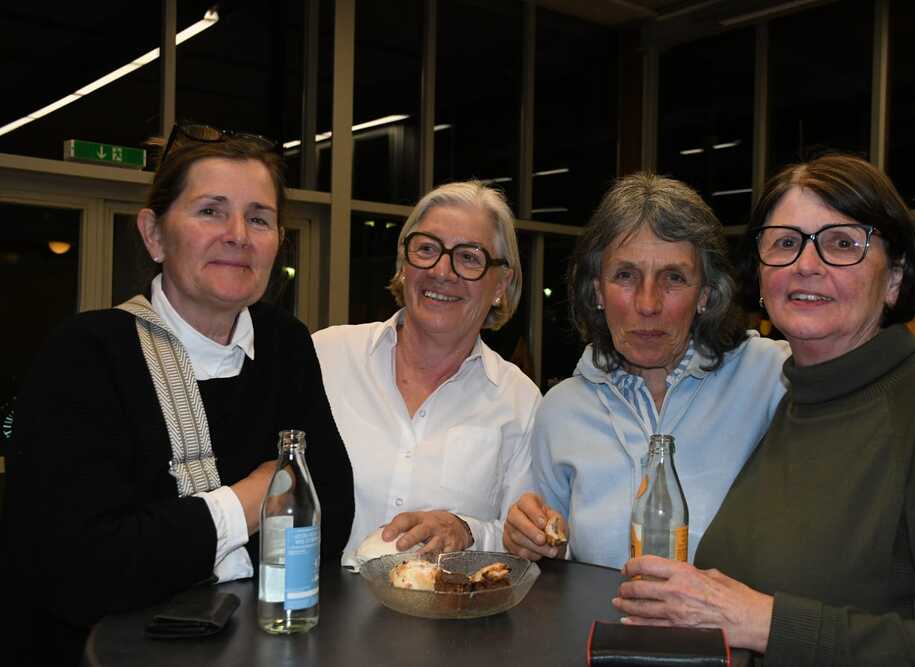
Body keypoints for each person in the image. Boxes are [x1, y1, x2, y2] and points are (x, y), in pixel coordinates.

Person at [503, 172, 915, 571]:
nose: (648, 304)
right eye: (625, 275)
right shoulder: (561, 411)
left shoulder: (779, 376)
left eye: (674, 277)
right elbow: (550, 549)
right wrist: (530, 538)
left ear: (706, 294)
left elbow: (877, 392)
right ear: (596, 290)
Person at [615, 155, 915, 665]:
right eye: (785, 243)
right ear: (761, 274)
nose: (806, 264)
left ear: (895, 277)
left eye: (841, 243)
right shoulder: (791, 404)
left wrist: (764, 622)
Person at [2, 124, 355, 666]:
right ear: (154, 234)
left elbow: (330, 518)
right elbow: (81, 573)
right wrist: (253, 498)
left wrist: (167, 546)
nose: (238, 235)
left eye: (259, 218)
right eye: (211, 210)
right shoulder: (87, 354)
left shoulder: (285, 344)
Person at [312, 181, 539, 565]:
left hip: (447, 604)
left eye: (469, 257)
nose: (442, 271)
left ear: (501, 283)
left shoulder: (520, 401)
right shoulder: (326, 357)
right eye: (427, 249)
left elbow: (522, 539)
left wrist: (466, 531)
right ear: (404, 264)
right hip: (315, 599)